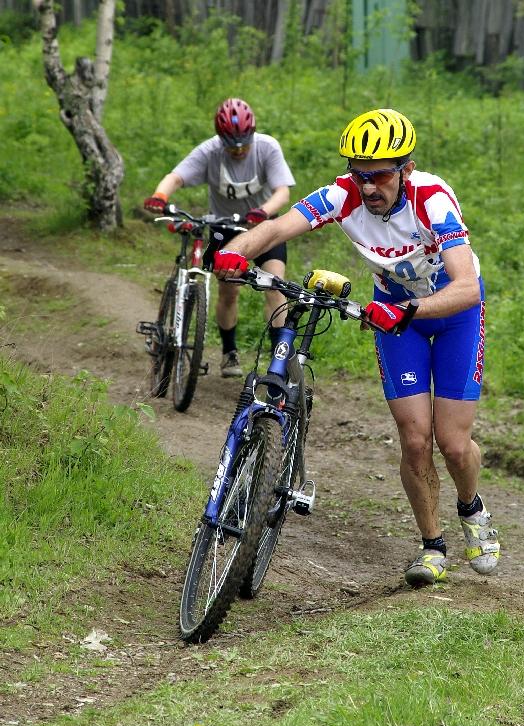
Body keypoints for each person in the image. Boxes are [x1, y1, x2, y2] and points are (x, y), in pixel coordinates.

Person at [211, 108, 500, 587]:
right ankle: (432, 547)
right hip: (397, 315)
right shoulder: (343, 195)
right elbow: (281, 227)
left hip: (453, 313)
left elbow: (468, 286)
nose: (368, 187)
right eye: (359, 173)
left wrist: (408, 310)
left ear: (406, 169)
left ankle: (471, 507)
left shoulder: (431, 198)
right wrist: (234, 252)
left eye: (380, 175)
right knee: (414, 439)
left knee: (452, 442)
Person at [144, 97, 296, 378]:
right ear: (220, 138)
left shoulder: (267, 147)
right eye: (231, 144)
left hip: (263, 227)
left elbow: (282, 192)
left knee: (275, 288)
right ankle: (229, 352)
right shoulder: (210, 151)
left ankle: (278, 366)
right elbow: (175, 176)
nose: (238, 150)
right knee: (229, 292)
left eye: (243, 143)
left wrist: (263, 211)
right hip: (224, 229)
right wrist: (160, 195)